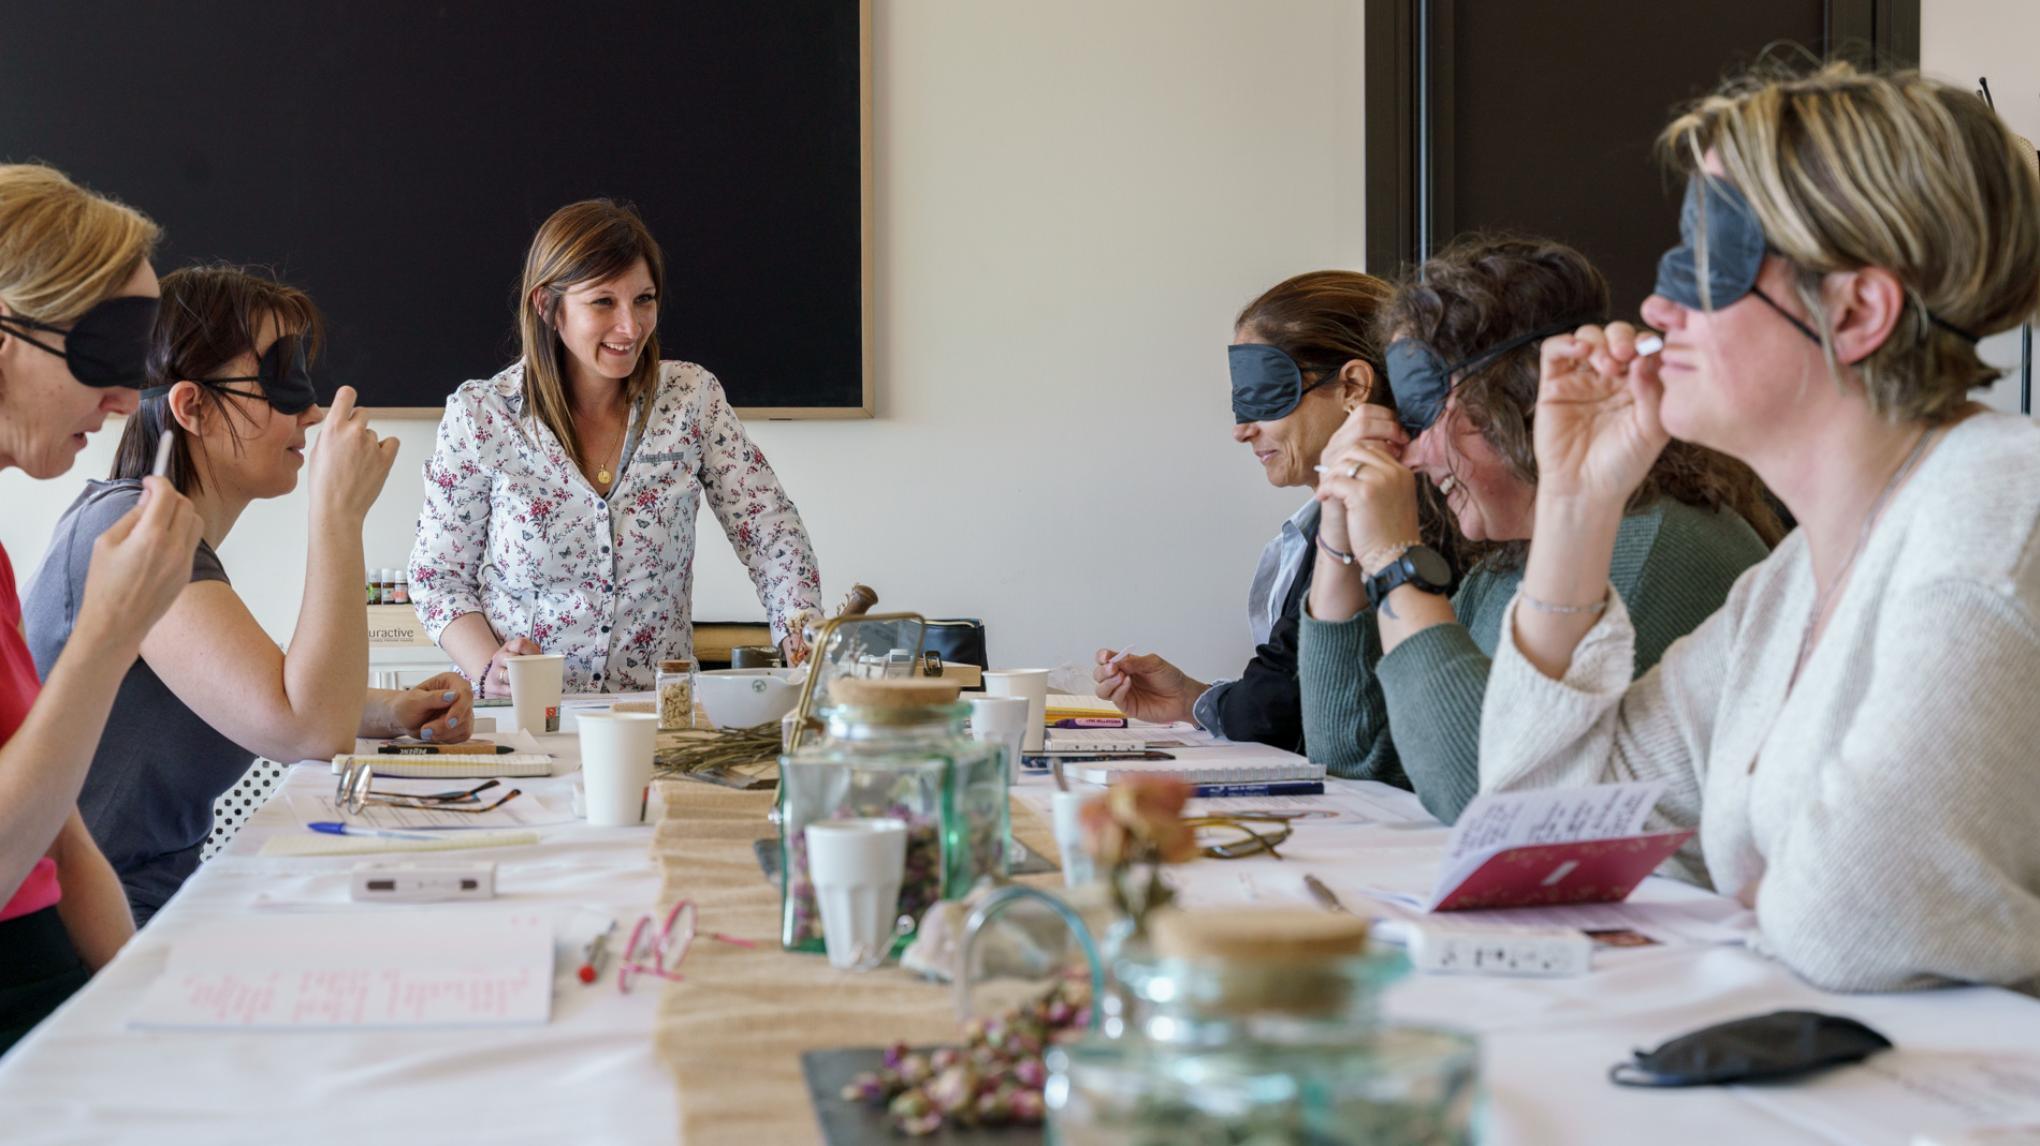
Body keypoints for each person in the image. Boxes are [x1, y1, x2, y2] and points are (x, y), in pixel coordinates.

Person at [1479, 63, 2040, 993]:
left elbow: (1861, 915)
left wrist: (1772, 892)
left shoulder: (1995, 515)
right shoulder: (1786, 586)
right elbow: (1545, 834)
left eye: (1708, 263)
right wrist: (1577, 507)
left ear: (1857, 310)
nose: (1658, 308)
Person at [25, 265, 473, 925]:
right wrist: (337, 515)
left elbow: (274, 695)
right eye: (282, 379)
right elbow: (308, 726)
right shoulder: (128, 533)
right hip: (96, 935)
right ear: (192, 407)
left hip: (159, 909)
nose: (312, 412)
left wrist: (390, 711)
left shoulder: (170, 542)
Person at [1297, 237, 1777, 822]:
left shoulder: (1645, 543)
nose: (1413, 454)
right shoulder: (1507, 565)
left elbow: (1485, 799)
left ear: (1512, 400)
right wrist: (1338, 529)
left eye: (1424, 413)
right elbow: (1356, 760)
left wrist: (1396, 561)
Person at [410, 199, 822, 696]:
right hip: (525, 719)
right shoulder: (481, 415)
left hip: (659, 715)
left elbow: (770, 531)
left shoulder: (692, 399)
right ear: (547, 306)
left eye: (644, 299)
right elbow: (438, 577)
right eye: (603, 302)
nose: (631, 327)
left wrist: (800, 633)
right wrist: (488, 666)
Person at [0, 164, 204, 1051]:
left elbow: (63, 839)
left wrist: (145, 1029)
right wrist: (109, 633)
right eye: (105, 353)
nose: (127, 400)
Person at [1094, 271, 1409, 752]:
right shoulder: (1318, 529)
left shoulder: (1394, 525)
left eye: (1264, 395)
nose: (1243, 430)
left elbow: (1277, 709)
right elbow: (1282, 695)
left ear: (1352, 387)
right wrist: (1192, 698)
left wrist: (1204, 702)